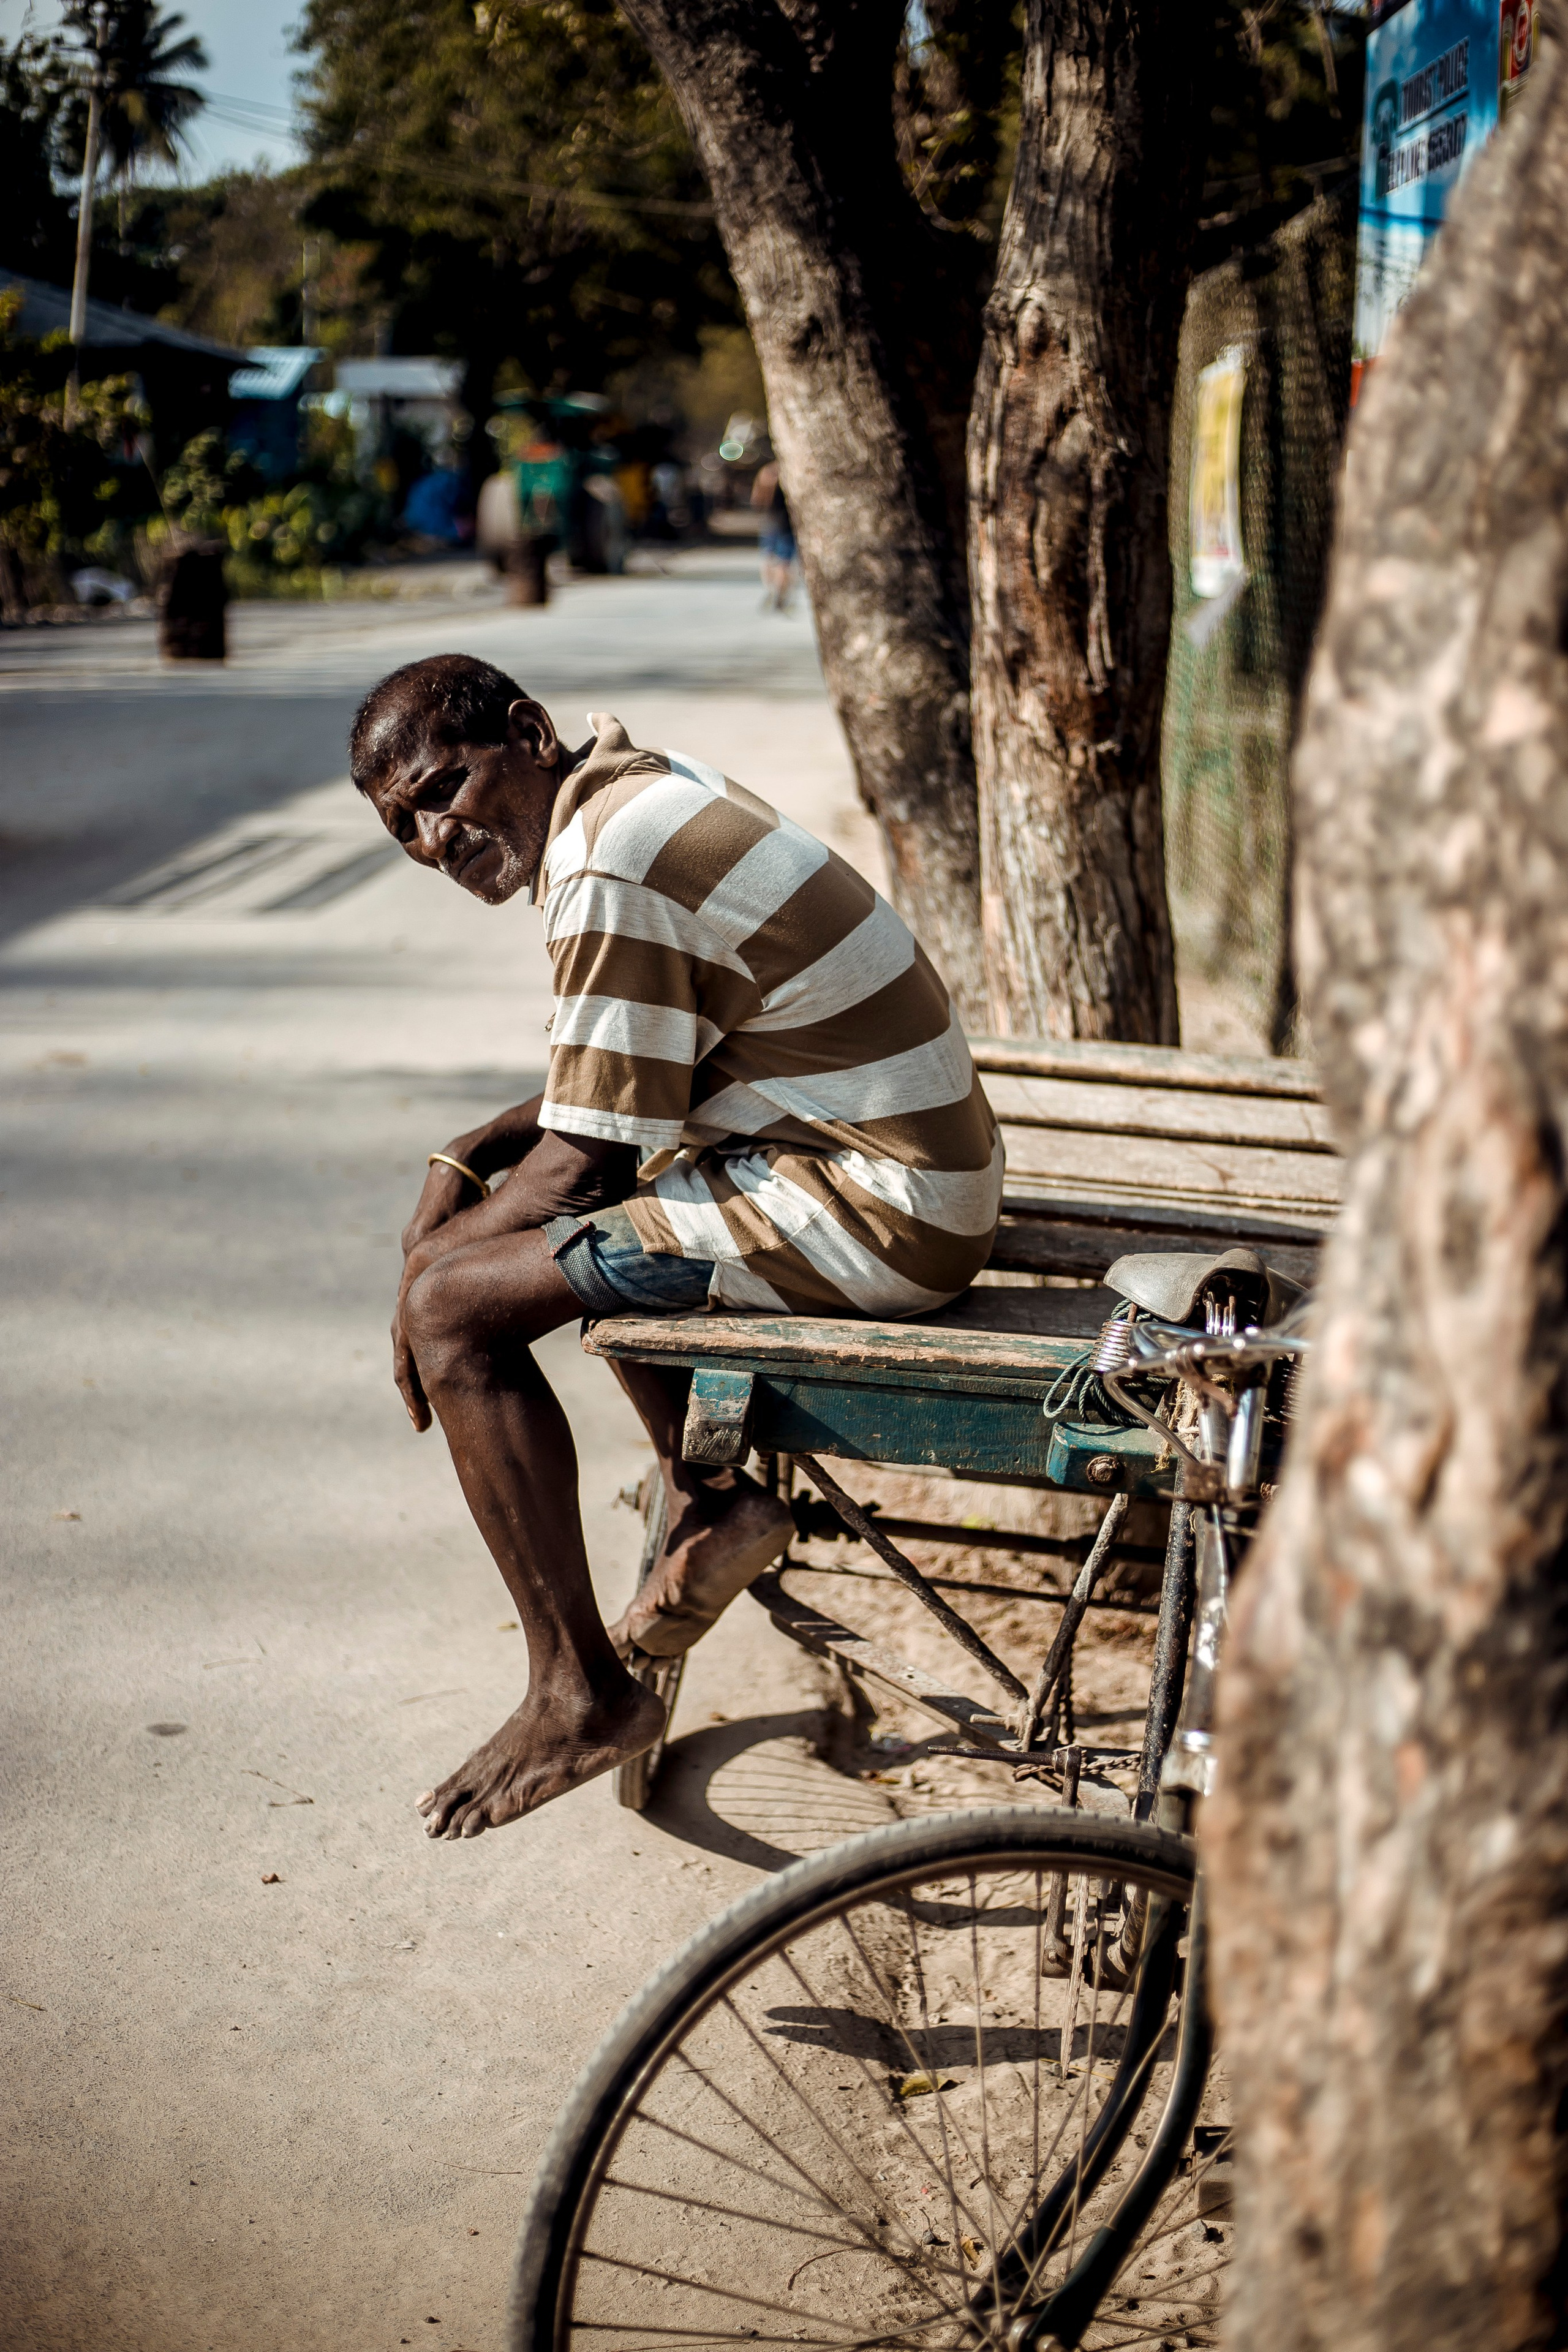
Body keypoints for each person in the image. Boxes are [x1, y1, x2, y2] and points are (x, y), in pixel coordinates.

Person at [350, 654, 1003, 1839]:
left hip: (885, 1214)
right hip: (898, 1175)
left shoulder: (609, 859)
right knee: (553, 1239)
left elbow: (582, 1166)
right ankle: (712, 1502)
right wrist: (469, 1150)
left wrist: (419, 1284)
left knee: (458, 1311)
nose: (436, 838)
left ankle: (579, 1695)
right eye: (405, 828)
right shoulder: (625, 795)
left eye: (444, 788)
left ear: (527, 733)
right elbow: (617, 1079)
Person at [750, 459, 796, 609]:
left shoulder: (766, 472)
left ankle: (770, 589)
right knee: (784, 561)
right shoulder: (790, 471)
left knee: (768, 557)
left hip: (770, 520)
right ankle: (782, 594)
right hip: (787, 522)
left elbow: (756, 500)